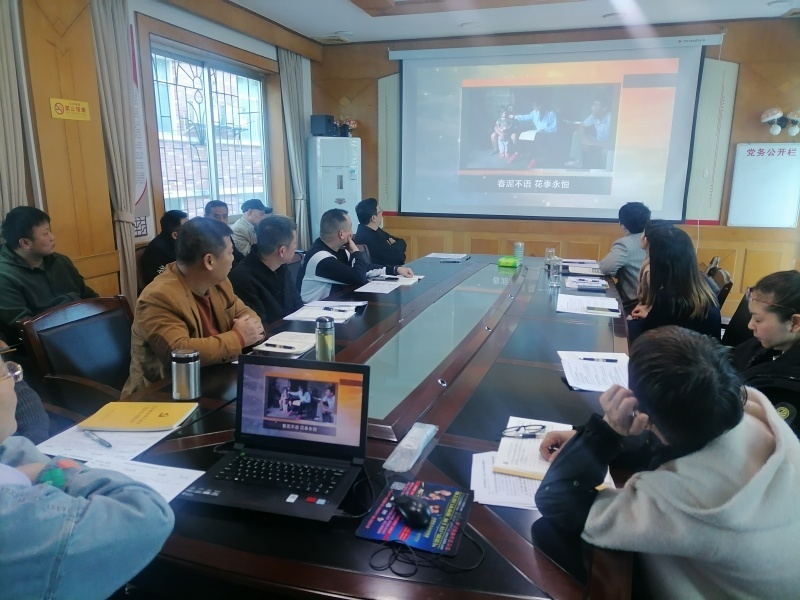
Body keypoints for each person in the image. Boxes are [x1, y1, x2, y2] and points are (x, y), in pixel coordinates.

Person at [536, 326, 800, 599]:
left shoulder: (685, 498)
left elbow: (558, 501)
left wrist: (605, 432)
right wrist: (585, 436)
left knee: (558, 543)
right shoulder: (754, 417)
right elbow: (676, 439)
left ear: (641, 408)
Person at [0, 354, 175, 598]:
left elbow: (13, 446)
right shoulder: (26, 519)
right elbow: (150, 515)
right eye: (7, 372)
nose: (14, 381)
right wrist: (52, 470)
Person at [122, 217, 264, 396]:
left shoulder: (218, 282)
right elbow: (179, 352)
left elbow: (246, 314)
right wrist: (238, 338)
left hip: (213, 380)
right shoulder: (158, 297)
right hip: (163, 394)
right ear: (209, 261)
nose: (233, 258)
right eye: (230, 253)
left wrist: (249, 330)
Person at [0, 207, 97, 342]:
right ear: (25, 243)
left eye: (50, 231)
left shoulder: (61, 261)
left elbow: (89, 296)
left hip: (83, 331)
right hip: (42, 344)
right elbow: (25, 327)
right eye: (45, 234)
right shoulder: (4, 276)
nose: (52, 237)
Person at [732, 271, 800, 434]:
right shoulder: (764, 345)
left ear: (795, 323)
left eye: (758, 319)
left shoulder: (790, 391)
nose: (750, 325)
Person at [627, 227, 720, 344]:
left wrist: (630, 321)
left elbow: (646, 335)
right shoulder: (703, 282)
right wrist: (649, 316)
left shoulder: (668, 296)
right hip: (707, 349)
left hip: (686, 352)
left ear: (660, 261)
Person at [298, 208, 413, 303]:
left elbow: (364, 268)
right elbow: (358, 278)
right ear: (341, 234)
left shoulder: (339, 250)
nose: (352, 233)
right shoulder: (320, 258)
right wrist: (355, 251)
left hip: (332, 304)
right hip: (310, 313)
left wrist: (395, 269)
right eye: (350, 228)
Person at [229, 214, 303, 326]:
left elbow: (297, 303)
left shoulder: (281, 265)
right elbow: (261, 326)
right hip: (271, 334)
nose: (295, 247)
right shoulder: (243, 278)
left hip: (292, 330)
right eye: (294, 243)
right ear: (282, 251)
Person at [598, 202, 650, 304]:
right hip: (655, 302)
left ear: (622, 225)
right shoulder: (655, 239)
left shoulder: (625, 244)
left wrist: (618, 272)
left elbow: (606, 268)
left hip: (633, 302)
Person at [139, 209, 188, 287]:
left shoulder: (182, 243)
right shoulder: (155, 251)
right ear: (175, 235)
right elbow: (161, 281)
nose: (191, 230)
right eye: (187, 228)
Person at [353, 198, 407, 267]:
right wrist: (393, 247)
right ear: (373, 218)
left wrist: (392, 247)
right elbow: (399, 258)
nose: (382, 212)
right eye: (380, 211)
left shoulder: (374, 230)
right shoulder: (370, 238)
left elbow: (401, 242)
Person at [510, 100, 558, 168]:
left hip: (547, 134)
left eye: (535, 105)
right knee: (523, 135)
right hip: (537, 132)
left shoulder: (551, 114)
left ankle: (534, 159)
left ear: (540, 106)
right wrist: (515, 117)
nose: (533, 107)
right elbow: (526, 117)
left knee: (536, 137)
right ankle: (518, 152)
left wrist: (545, 130)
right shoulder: (534, 113)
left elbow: (554, 127)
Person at [565, 99, 612, 168]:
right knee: (577, 134)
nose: (592, 107)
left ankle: (605, 171)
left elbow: (613, 143)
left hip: (609, 146)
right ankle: (577, 161)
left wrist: (591, 143)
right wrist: (584, 139)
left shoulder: (611, 118)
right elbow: (581, 126)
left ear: (604, 108)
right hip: (598, 143)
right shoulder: (594, 116)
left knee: (605, 153)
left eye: (595, 105)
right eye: (592, 105)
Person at [204, 200, 246, 267]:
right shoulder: (203, 238)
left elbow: (236, 254)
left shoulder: (225, 233)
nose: (221, 221)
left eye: (224, 216)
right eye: (216, 217)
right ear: (206, 217)